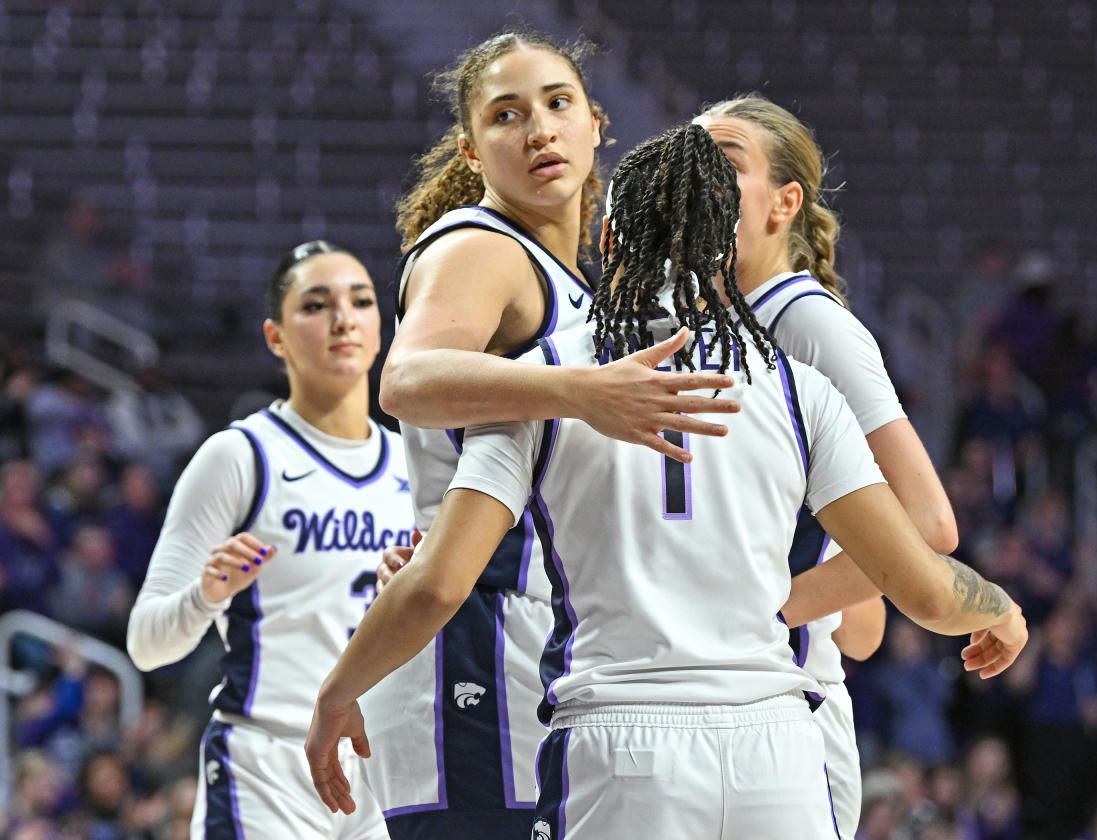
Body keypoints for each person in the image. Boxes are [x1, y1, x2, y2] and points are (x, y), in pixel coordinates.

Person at [306, 125, 1027, 839]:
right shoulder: (799, 390)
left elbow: (436, 584)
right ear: (726, 243)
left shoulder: (546, 382)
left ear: (611, 242)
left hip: (622, 752)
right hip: (775, 752)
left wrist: (339, 692)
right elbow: (926, 590)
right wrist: (996, 606)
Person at [361, 31, 739, 839]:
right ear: (470, 150)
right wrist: (582, 391)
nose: (538, 129)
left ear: (597, 123)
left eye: (557, 104)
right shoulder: (481, 246)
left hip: (534, 639)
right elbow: (405, 381)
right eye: (507, 115)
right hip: (474, 643)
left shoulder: (567, 280)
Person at [695, 93, 959, 839]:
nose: (698, 177)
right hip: (718, 698)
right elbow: (863, 629)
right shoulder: (708, 328)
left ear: (784, 203)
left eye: (723, 162)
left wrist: (772, 609)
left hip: (781, 708)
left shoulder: (806, 322)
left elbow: (929, 522)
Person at [127, 241, 412, 840]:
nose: (342, 318)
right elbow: (147, 644)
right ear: (275, 336)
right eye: (315, 304)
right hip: (267, 766)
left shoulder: (416, 460)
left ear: (380, 327)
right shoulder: (239, 456)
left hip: (387, 765)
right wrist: (205, 596)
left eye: (360, 301)